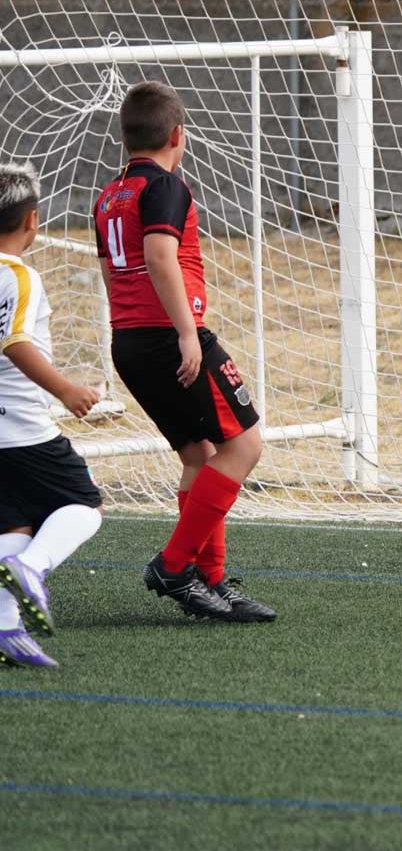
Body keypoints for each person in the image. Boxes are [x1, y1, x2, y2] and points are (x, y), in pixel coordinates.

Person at [93, 80, 274, 622]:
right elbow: (159, 256)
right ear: (178, 136)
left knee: (199, 454)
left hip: (129, 341)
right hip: (170, 337)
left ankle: (210, 582)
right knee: (244, 447)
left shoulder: (108, 195)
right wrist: (188, 332)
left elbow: (109, 270)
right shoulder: (166, 185)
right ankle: (175, 566)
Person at [0, 162, 105, 667]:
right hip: (22, 428)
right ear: (32, 221)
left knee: (13, 525)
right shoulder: (19, 275)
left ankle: (4, 629)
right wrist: (66, 390)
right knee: (85, 506)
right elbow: (16, 341)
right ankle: (34, 570)